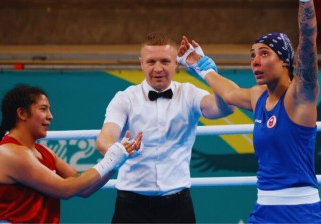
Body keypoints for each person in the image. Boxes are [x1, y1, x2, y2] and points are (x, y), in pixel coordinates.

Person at [177, 0, 321, 222]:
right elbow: (229, 93)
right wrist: (200, 66)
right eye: (252, 55)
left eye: (264, 54)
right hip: (264, 210)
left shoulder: (300, 96)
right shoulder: (258, 96)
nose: (255, 61)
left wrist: (306, 2)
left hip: (302, 212)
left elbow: (308, 39)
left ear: (285, 60)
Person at [95, 32, 234, 223]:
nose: (158, 68)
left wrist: (207, 72)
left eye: (165, 61)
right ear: (141, 63)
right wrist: (118, 150)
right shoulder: (125, 98)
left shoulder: (189, 94)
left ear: (176, 63)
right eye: (151, 61)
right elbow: (104, 138)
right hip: (130, 205)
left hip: (178, 205)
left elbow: (227, 107)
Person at [0, 84, 142, 223]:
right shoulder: (10, 153)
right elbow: (65, 189)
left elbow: (83, 187)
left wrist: (116, 161)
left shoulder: (44, 152)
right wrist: (110, 160)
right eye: (43, 109)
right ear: (22, 113)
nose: (50, 116)